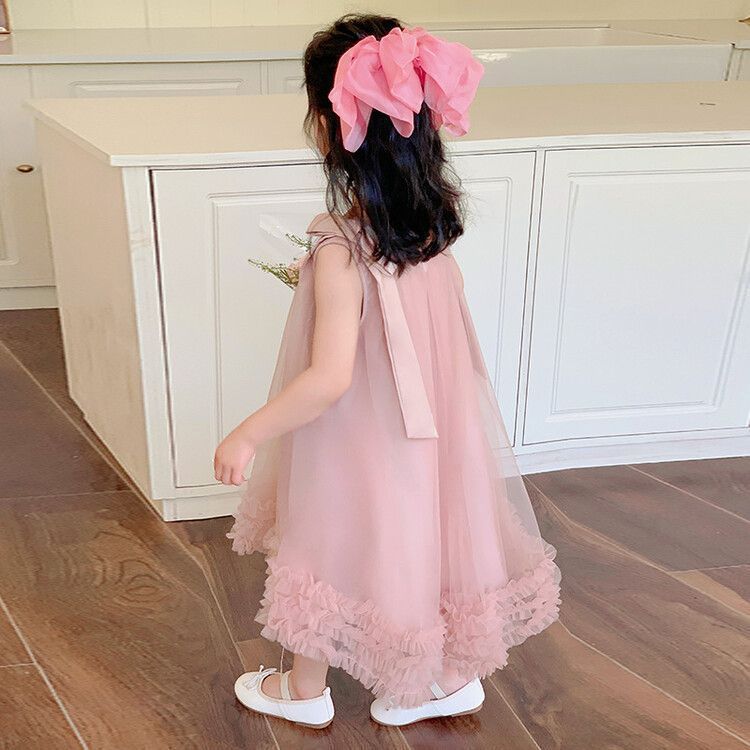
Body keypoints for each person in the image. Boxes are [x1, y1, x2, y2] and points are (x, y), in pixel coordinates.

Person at [214, 13, 562, 729]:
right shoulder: (432, 231)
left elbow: (329, 377)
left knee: (325, 537)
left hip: (356, 432)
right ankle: (442, 678)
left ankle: (305, 688)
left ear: (326, 125)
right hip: (429, 433)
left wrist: (248, 433)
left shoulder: (342, 247)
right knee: (419, 541)